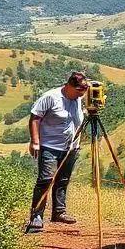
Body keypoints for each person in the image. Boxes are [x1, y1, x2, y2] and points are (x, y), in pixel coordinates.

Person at [25, 71, 89, 233]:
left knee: (63, 180)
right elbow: (35, 117)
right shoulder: (50, 97)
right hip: (50, 147)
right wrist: (35, 141)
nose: (80, 95)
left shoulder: (79, 97)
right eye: (78, 91)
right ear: (69, 86)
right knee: (45, 180)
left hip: (71, 147)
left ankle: (59, 212)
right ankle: (36, 216)